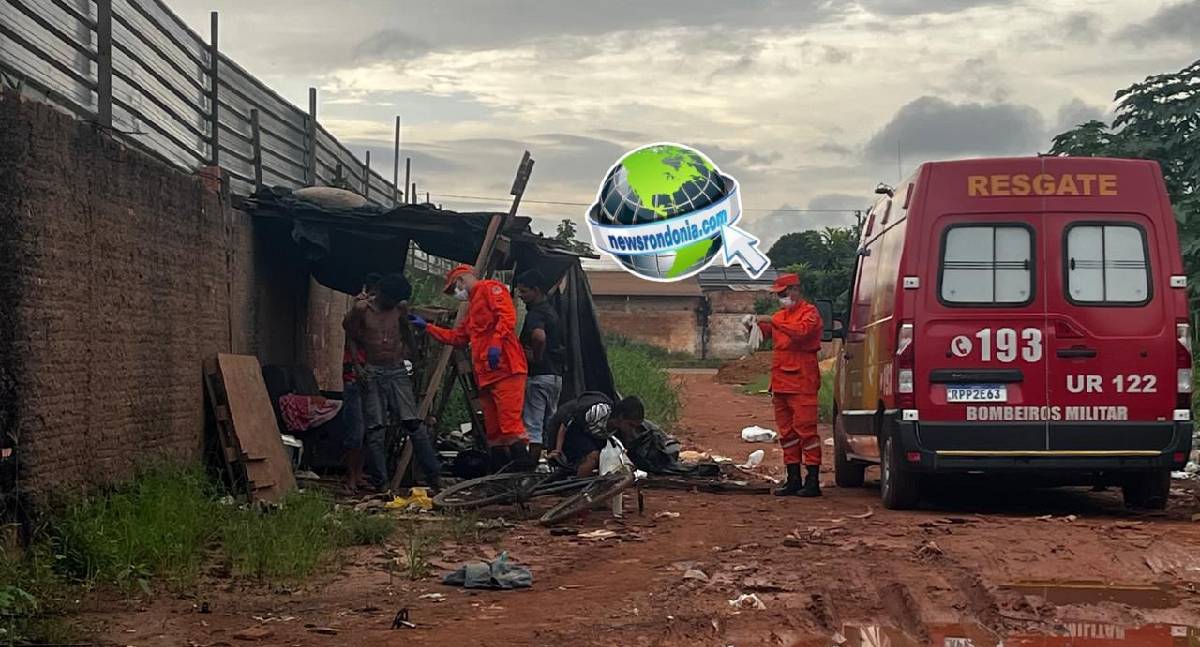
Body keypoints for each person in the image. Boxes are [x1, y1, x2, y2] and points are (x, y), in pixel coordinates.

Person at [407, 265, 533, 471]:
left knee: (509, 425)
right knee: (493, 430)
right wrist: (427, 327)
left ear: (461, 280)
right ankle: (501, 475)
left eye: (454, 288)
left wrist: (495, 343)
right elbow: (458, 337)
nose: (456, 293)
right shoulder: (473, 307)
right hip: (486, 374)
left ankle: (524, 471)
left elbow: (507, 316)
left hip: (507, 369)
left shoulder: (490, 288)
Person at [344, 273, 441, 492]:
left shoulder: (399, 308)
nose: (394, 304)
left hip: (396, 369)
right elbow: (350, 334)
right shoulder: (362, 310)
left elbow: (407, 332)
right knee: (376, 429)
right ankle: (383, 484)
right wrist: (358, 367)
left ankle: (434, 477)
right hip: (372, 370)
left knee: (414, 425)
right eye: (392, 300)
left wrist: (414, 360)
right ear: (382, 294)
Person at [755, 272, 824, 497]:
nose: (781, 298)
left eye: (783, 294)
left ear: (795, 290)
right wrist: (753, 325)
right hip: (780, 383)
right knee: (787, 434)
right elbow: (768, 333)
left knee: (807, 432)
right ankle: (793, 478)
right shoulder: (780, 316)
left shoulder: (810, 313)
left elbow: (801, 333)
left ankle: (812, 480)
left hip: (802, 381)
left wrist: (773, 321)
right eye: (778, 295)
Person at [514, 269, 565, 465]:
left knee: (532, 424)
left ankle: (530, 467)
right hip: (555, 376)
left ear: (536, 291)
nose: (521, 296)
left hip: (539, 376)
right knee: (549, 422)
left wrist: (536, 355)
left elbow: (538, 336)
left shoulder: (535, 314)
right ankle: (553, 463)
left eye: (524, 292)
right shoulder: (551, 312)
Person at [341, 273, 381, 492]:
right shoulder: (358, 312)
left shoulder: (379, 315)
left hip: (372, 377)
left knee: (367, 430)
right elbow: (349, 334)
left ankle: (359, 473)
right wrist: (358, 368)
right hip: (355, 377)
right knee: (355, 430)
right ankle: (350, 477)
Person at [545, 394, 645, 478]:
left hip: (589, 433)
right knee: (593, 456)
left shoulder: (617, 429)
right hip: (570, 429)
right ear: (621, 417)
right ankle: (578, 487)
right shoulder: (598, 411)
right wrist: (557, 449)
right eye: (631, 425)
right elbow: (564, 423)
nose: (632, 430)